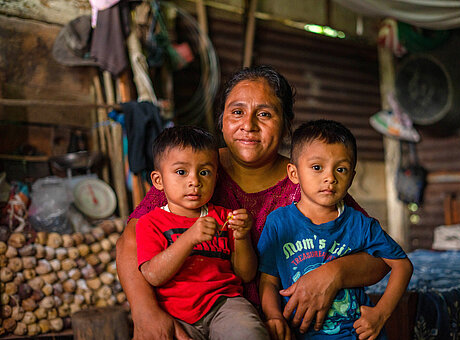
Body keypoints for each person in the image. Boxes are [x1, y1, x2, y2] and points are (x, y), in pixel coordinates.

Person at [116, 65, 391, 340]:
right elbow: (131, 241)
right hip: (187, 321)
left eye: (264, 114)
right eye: (237, 112)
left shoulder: (308, 180)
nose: (248, 125)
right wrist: (146, 312)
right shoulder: (191, 171)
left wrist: (335, 273)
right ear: (222, 121)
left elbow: (381, 258)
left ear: (285, 126)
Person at [258, 120, 413, 340]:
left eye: (341, 169)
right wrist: (273, 316)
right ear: (294, 173)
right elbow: (268, 280)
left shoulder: (360, 223)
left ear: (351, 177)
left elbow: (402, 265)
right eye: (317, 167)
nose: (330, 177)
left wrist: (380, 313)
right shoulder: (279, 223)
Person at [136, 125, 269, 340]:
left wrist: (242, 237)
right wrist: (189, 238)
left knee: (250, 333)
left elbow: (245, 275)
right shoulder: (149, 223)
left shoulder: (225, 217)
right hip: (175, 314)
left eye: (204, 172)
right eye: (181, 172)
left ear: (216, 177)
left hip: (225, 305)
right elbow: (153, 276)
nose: (195, 181)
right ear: (158, 181)